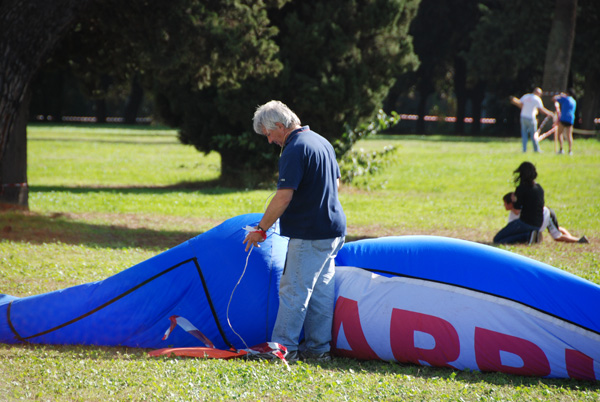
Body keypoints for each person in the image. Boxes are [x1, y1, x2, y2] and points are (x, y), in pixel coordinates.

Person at [243, 100, 346, 362]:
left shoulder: (294, 149)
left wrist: (260, 229)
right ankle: (319, 350)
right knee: (321, 292)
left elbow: (283, 197)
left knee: (293, 291)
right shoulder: (322, 142)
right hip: (333, 229)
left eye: (269, 134)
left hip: (310, 233)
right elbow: (336, 182)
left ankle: (282, 350)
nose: (269, 141)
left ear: (279, 125)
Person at [502, 192, 589, 243]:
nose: (504, 205)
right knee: (557, 229)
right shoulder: (513, 212)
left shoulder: (522, 208)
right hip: (544, 216)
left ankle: (578, 240)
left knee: (557, 237)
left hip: (546, 214)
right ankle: (573, 238)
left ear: (510, 203)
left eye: (505, 203)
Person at [493, 162, 544, 244]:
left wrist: (514, 200)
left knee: (498, 239)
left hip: (525, 222)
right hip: (538, 224)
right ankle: (532, 234)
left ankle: (527, 235)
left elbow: (517, 210)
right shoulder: (539, 188)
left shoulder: (521, 188)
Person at [510, 87, 554, 153]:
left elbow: (520, 103)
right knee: (534, 134)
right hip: (531, 118)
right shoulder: (537, 99)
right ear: (538, 93)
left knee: (524, 134)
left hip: (523, 117)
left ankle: (524, 149)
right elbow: (542, 110)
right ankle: (536, 149)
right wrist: (550, 113)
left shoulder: (526, 96)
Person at [553, 88, 577, 155]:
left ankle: (561, 149)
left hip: (563, 118)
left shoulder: (565, 99)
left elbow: (554, 98)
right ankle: (570, 150)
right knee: (569, 135)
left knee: (559, 133)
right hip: (570, 119)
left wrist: (560, 96)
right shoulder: (574, 101)